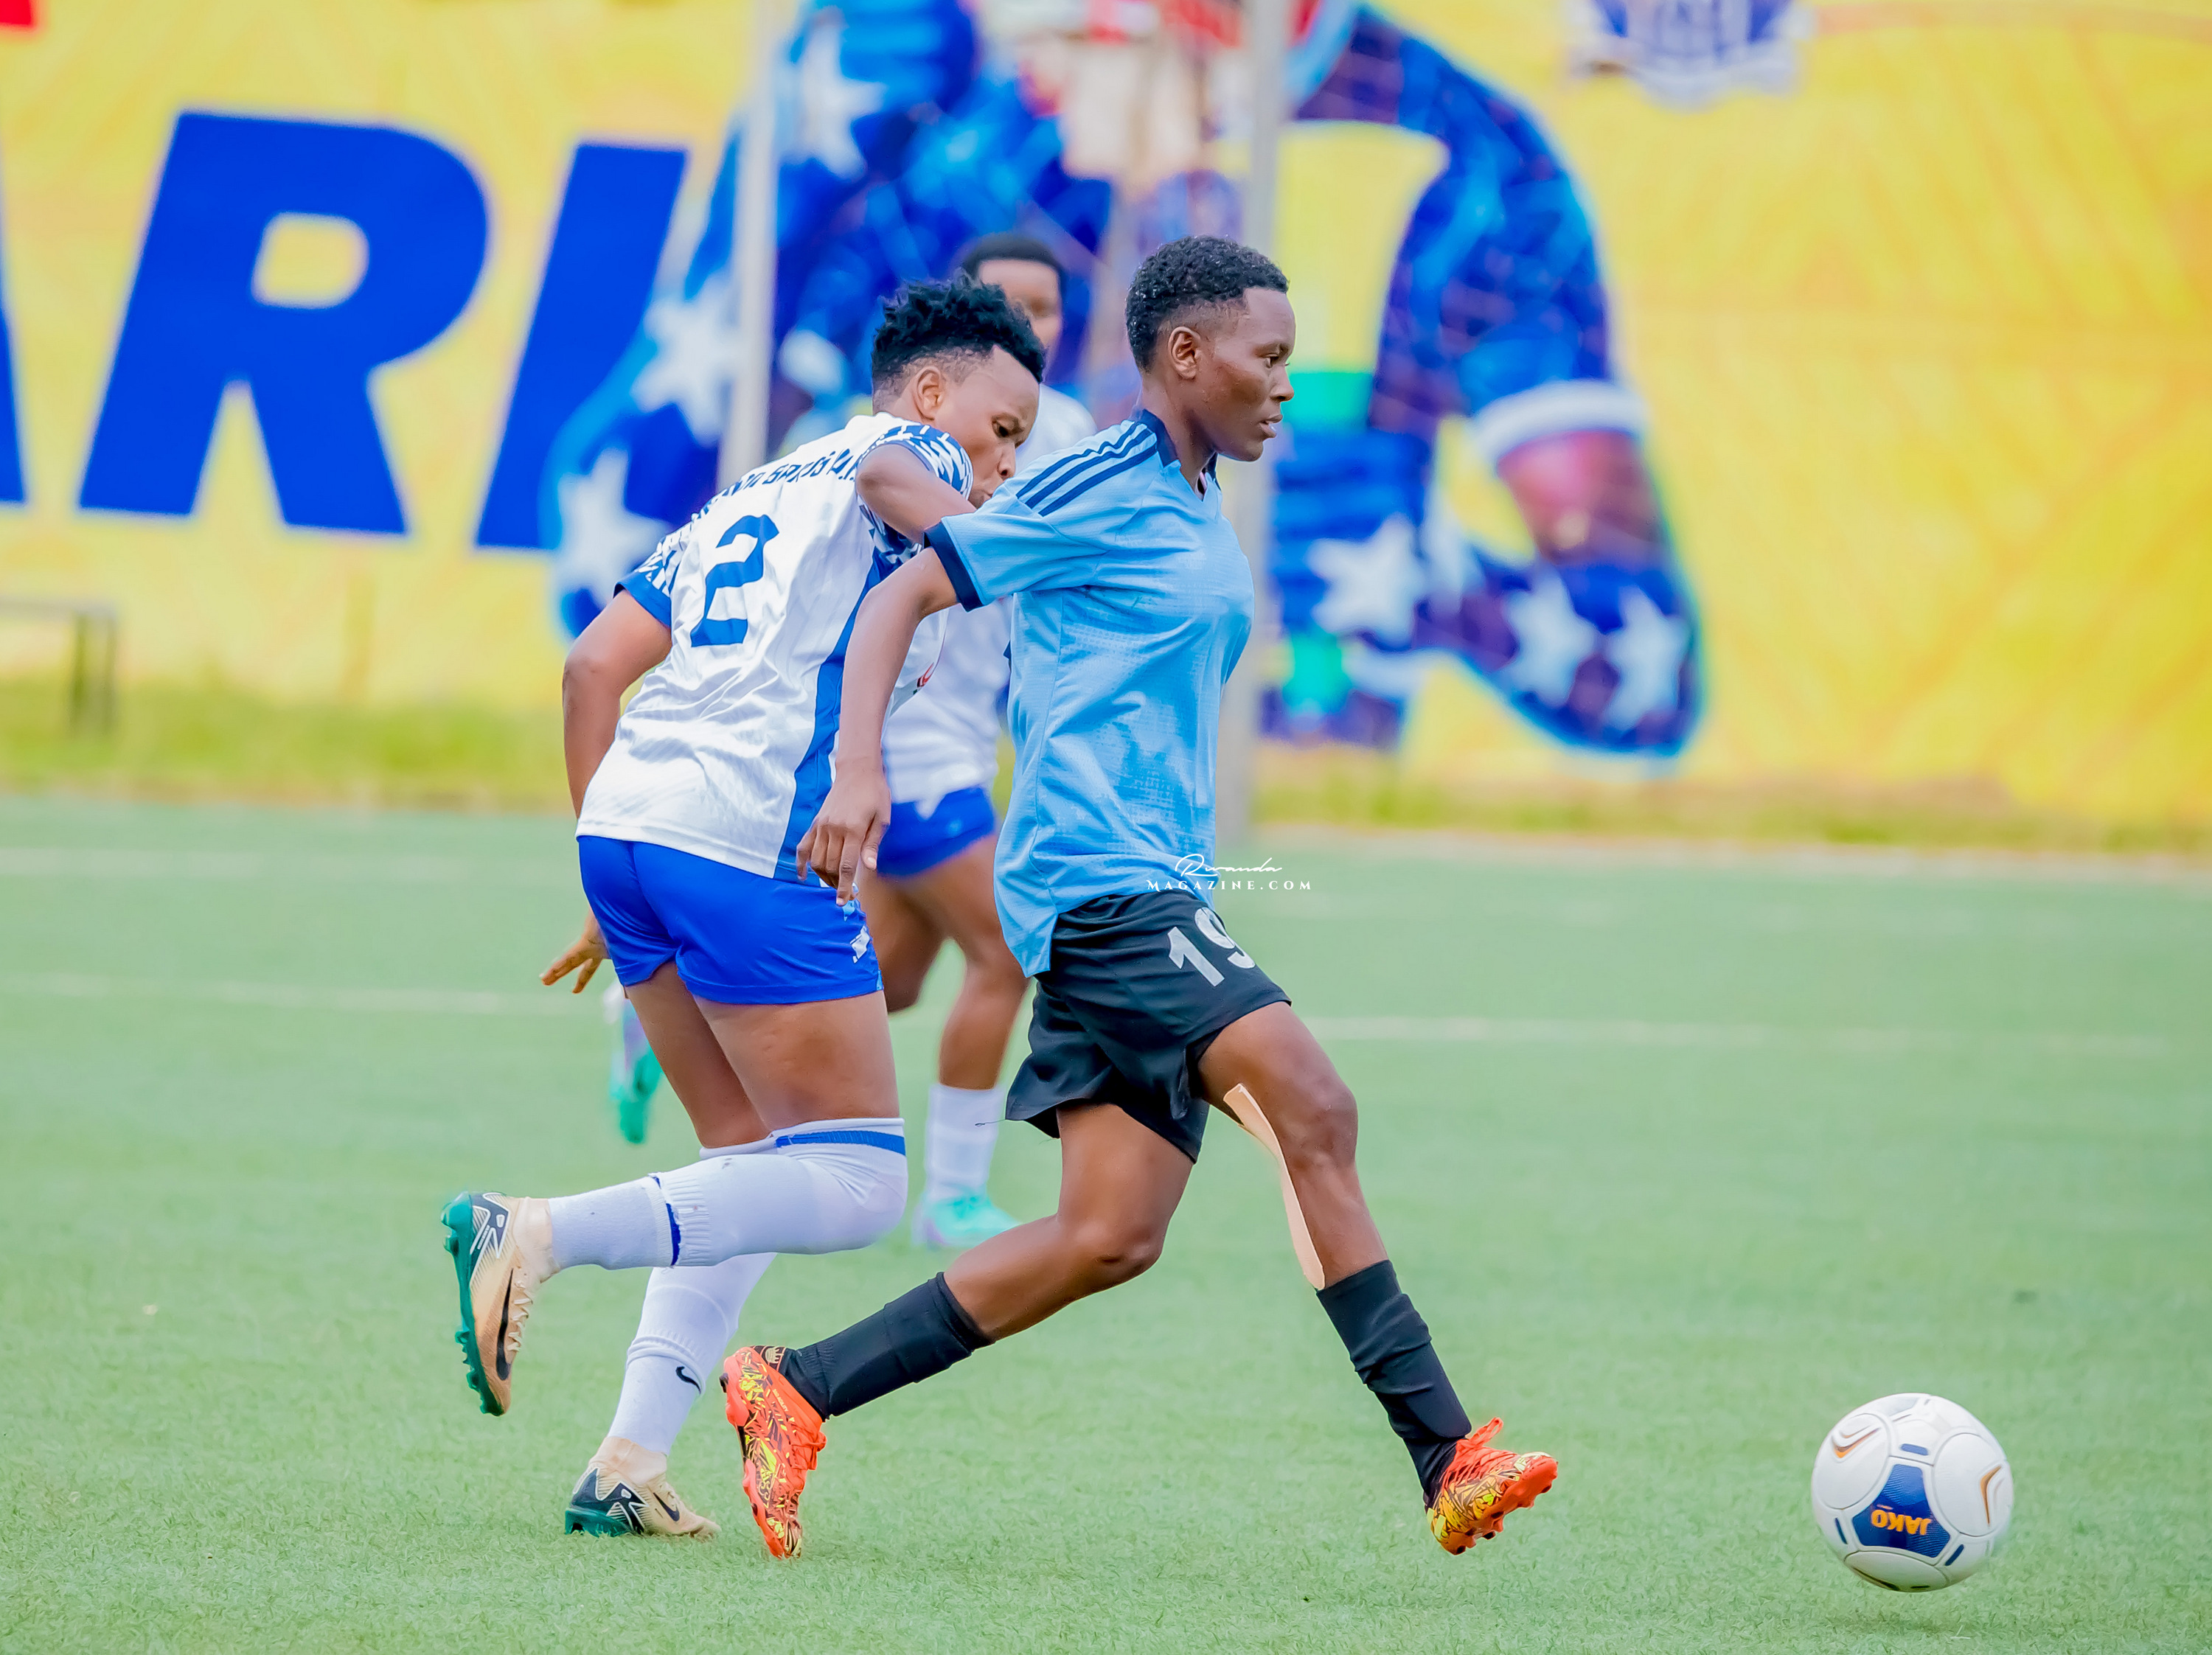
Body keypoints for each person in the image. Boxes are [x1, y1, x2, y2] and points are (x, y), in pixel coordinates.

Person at [716, 237, 1557, 1561]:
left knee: (1108, 1235)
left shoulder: (1193, 492)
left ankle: (796, 1385)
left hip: (1142, 884)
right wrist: (859, 767)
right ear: (1186, 353)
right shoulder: (1103, 480)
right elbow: (909, 593)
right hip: (1100, 886)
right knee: (1316, 1107)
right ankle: (1447, 1452)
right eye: (1269, 357)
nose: (1287, 383)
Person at [439, 280, 1045, 1539]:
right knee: (862, 1180)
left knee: (753, 1165)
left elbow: (590, 666)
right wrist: (1035, 549)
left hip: (629, 827)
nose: (1001, 465)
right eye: (1002, 432)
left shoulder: (750, 491)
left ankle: (628, 1460)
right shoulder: (910, 454)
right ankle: (534, 1230)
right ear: (932, 392)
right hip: (746, 836)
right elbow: (896, 473)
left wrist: (609, 865)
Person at [869, 232, 1096, 1248]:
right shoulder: (905, 442)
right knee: (1007, 946)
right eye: (1010, 305)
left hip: (968, 743)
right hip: (904, 745)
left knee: (893, 980)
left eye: (1046, 306)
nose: (1031, 324)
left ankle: (678, 1019)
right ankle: (951, 1198)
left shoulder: (1071, 431)